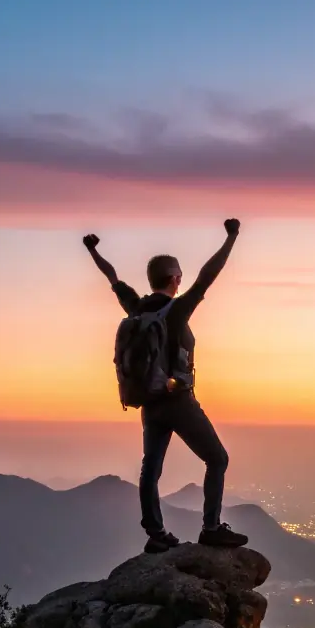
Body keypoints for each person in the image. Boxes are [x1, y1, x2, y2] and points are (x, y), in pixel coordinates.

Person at [83, 219, 250, 553]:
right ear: (175, 279)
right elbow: (209, 275)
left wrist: (93, 250)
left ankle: (156, 534)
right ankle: (211, 528)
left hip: (149, 402)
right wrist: (231, 237)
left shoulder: (136, 307)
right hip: (178, 400)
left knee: (151, 469)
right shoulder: (177, 310)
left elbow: (112, 277)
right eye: (179, 276)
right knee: (217, 459)